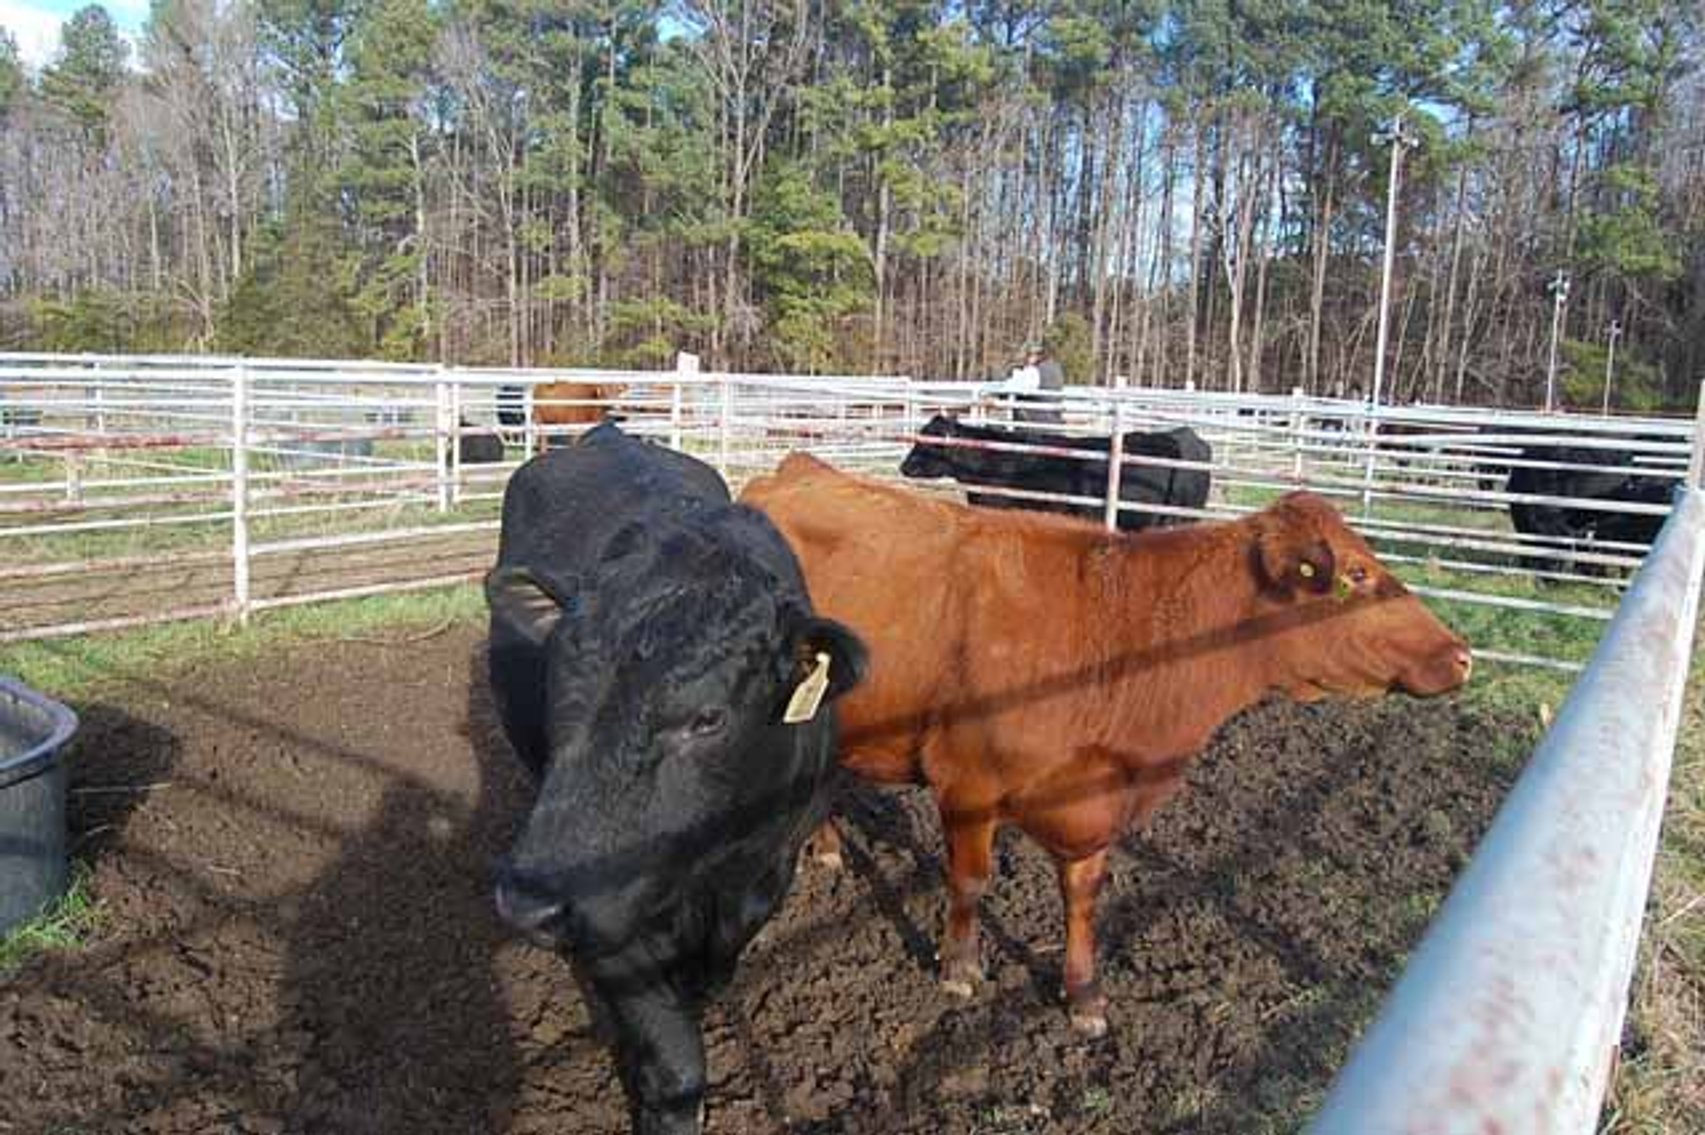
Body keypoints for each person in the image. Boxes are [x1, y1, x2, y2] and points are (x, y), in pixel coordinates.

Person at [1012, 341, 1065, 424]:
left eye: (1028, 355)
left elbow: (1019, 389)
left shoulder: (1033, 371)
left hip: (1035, 420)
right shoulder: (1057, 369)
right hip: (1054, 418)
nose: (1025, 359)